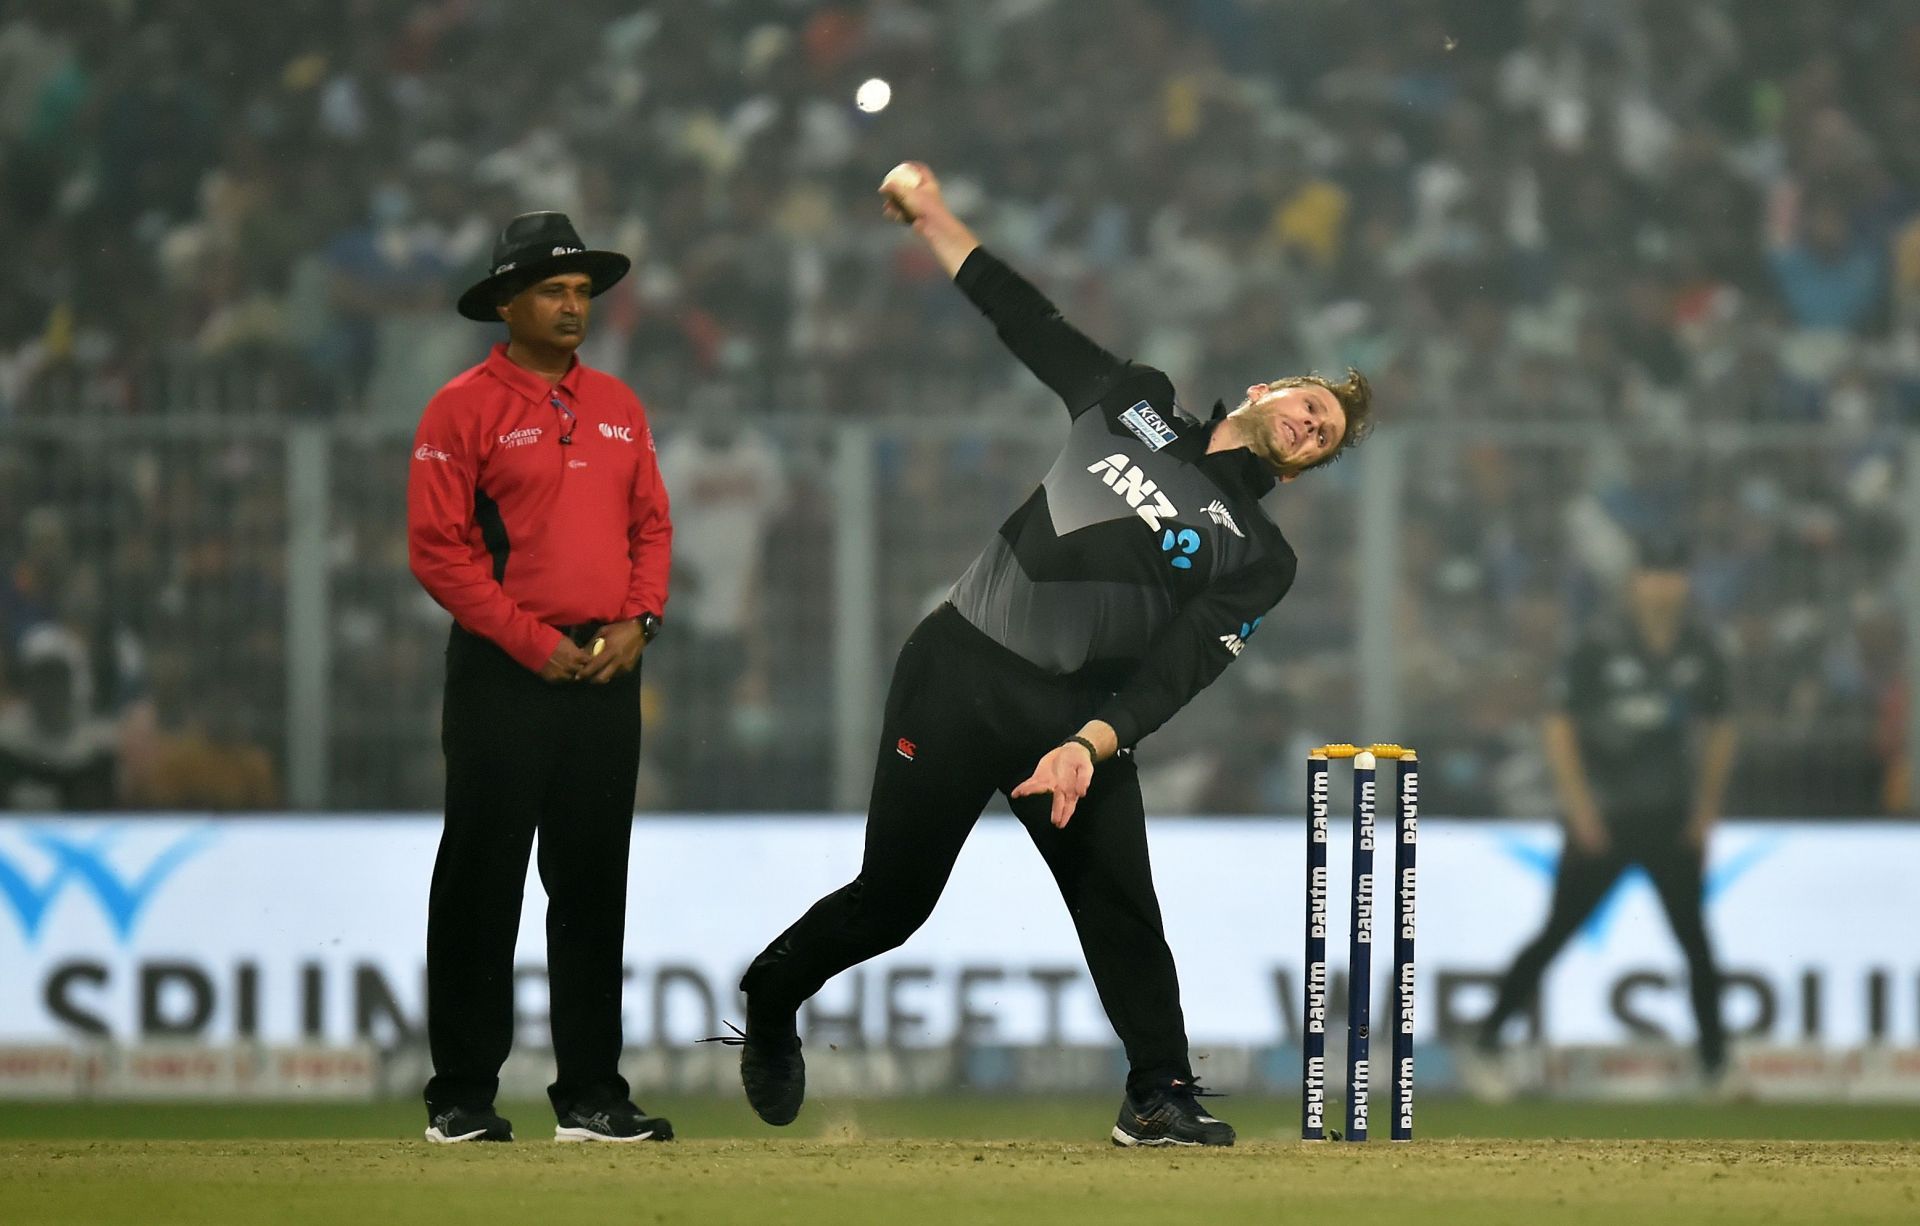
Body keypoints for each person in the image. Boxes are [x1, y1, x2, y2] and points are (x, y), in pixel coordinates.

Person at [721, 163, 1373, 1148]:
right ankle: (771, 998)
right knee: (891, 905)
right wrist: (937, 220)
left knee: (1125, 909)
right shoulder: (1134, 401)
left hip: (1076, 719)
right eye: (1312, 402)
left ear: (1308, 463)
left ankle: (1158, 1090)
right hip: (958, 668)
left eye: (1326, 435)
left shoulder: (1260, 553)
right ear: (1266, 389)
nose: (1314, 422)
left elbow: (1181, 668)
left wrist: (1093, 741)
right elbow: (1030, 323)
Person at [407, 211, 673, 1144]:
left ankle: (593, 1095)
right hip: (503, 674)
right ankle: (461, 1098)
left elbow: (653, 527)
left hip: (604, 671)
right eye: (553, 292)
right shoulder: (460, 408)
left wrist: (640, 621)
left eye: (581, 293)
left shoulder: (619, 404)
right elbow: (439, 554)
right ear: (505, 304)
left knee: (594, 880)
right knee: (484, 879)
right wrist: (530, 641)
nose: (573, 307)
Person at [1476, 538, 1736, 1081]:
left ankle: (1716, 1064)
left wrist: (1707, 811)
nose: (1662, 587)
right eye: (1653, 574)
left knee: (1696, 942)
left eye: (1672, 575)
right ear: (1635, 581)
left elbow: (1722, 727)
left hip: (1670, 817)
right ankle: (1486, 1042)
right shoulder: (1599, 644)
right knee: (1555, 933)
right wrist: (1581, 810)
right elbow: (1559, 726)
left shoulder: (1701, 647)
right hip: (1606, 818)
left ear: (1685, 583)